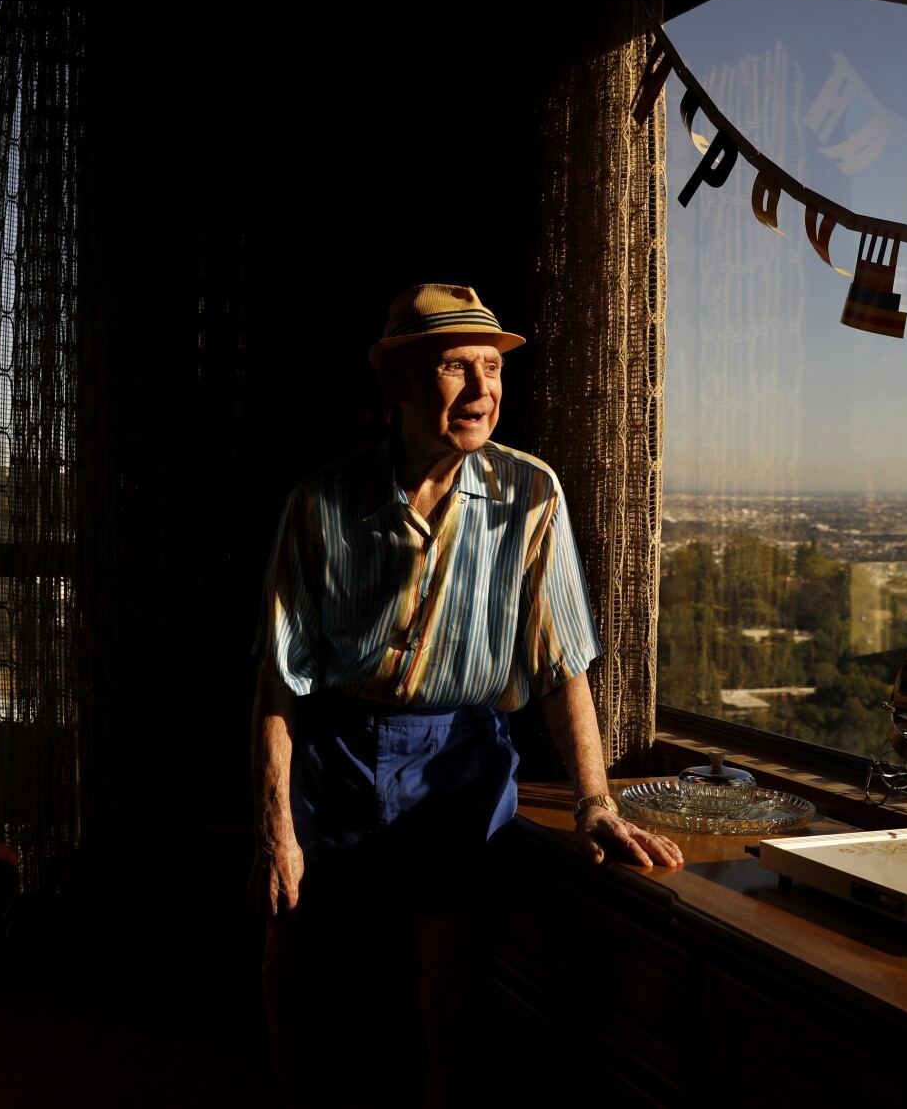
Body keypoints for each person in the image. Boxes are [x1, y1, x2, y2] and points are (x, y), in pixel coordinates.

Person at [248, 283, 682, 1107]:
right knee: (290, 981)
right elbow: (279, 679)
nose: (483, 390)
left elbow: (563, 663)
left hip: (456, 762)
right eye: (457, 367)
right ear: (398, 385)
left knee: (448, 1006)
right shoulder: (320, 506)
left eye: (492, 368)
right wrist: (275, 827)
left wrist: (594, 800)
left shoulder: (531, 492)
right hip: (332, 753)